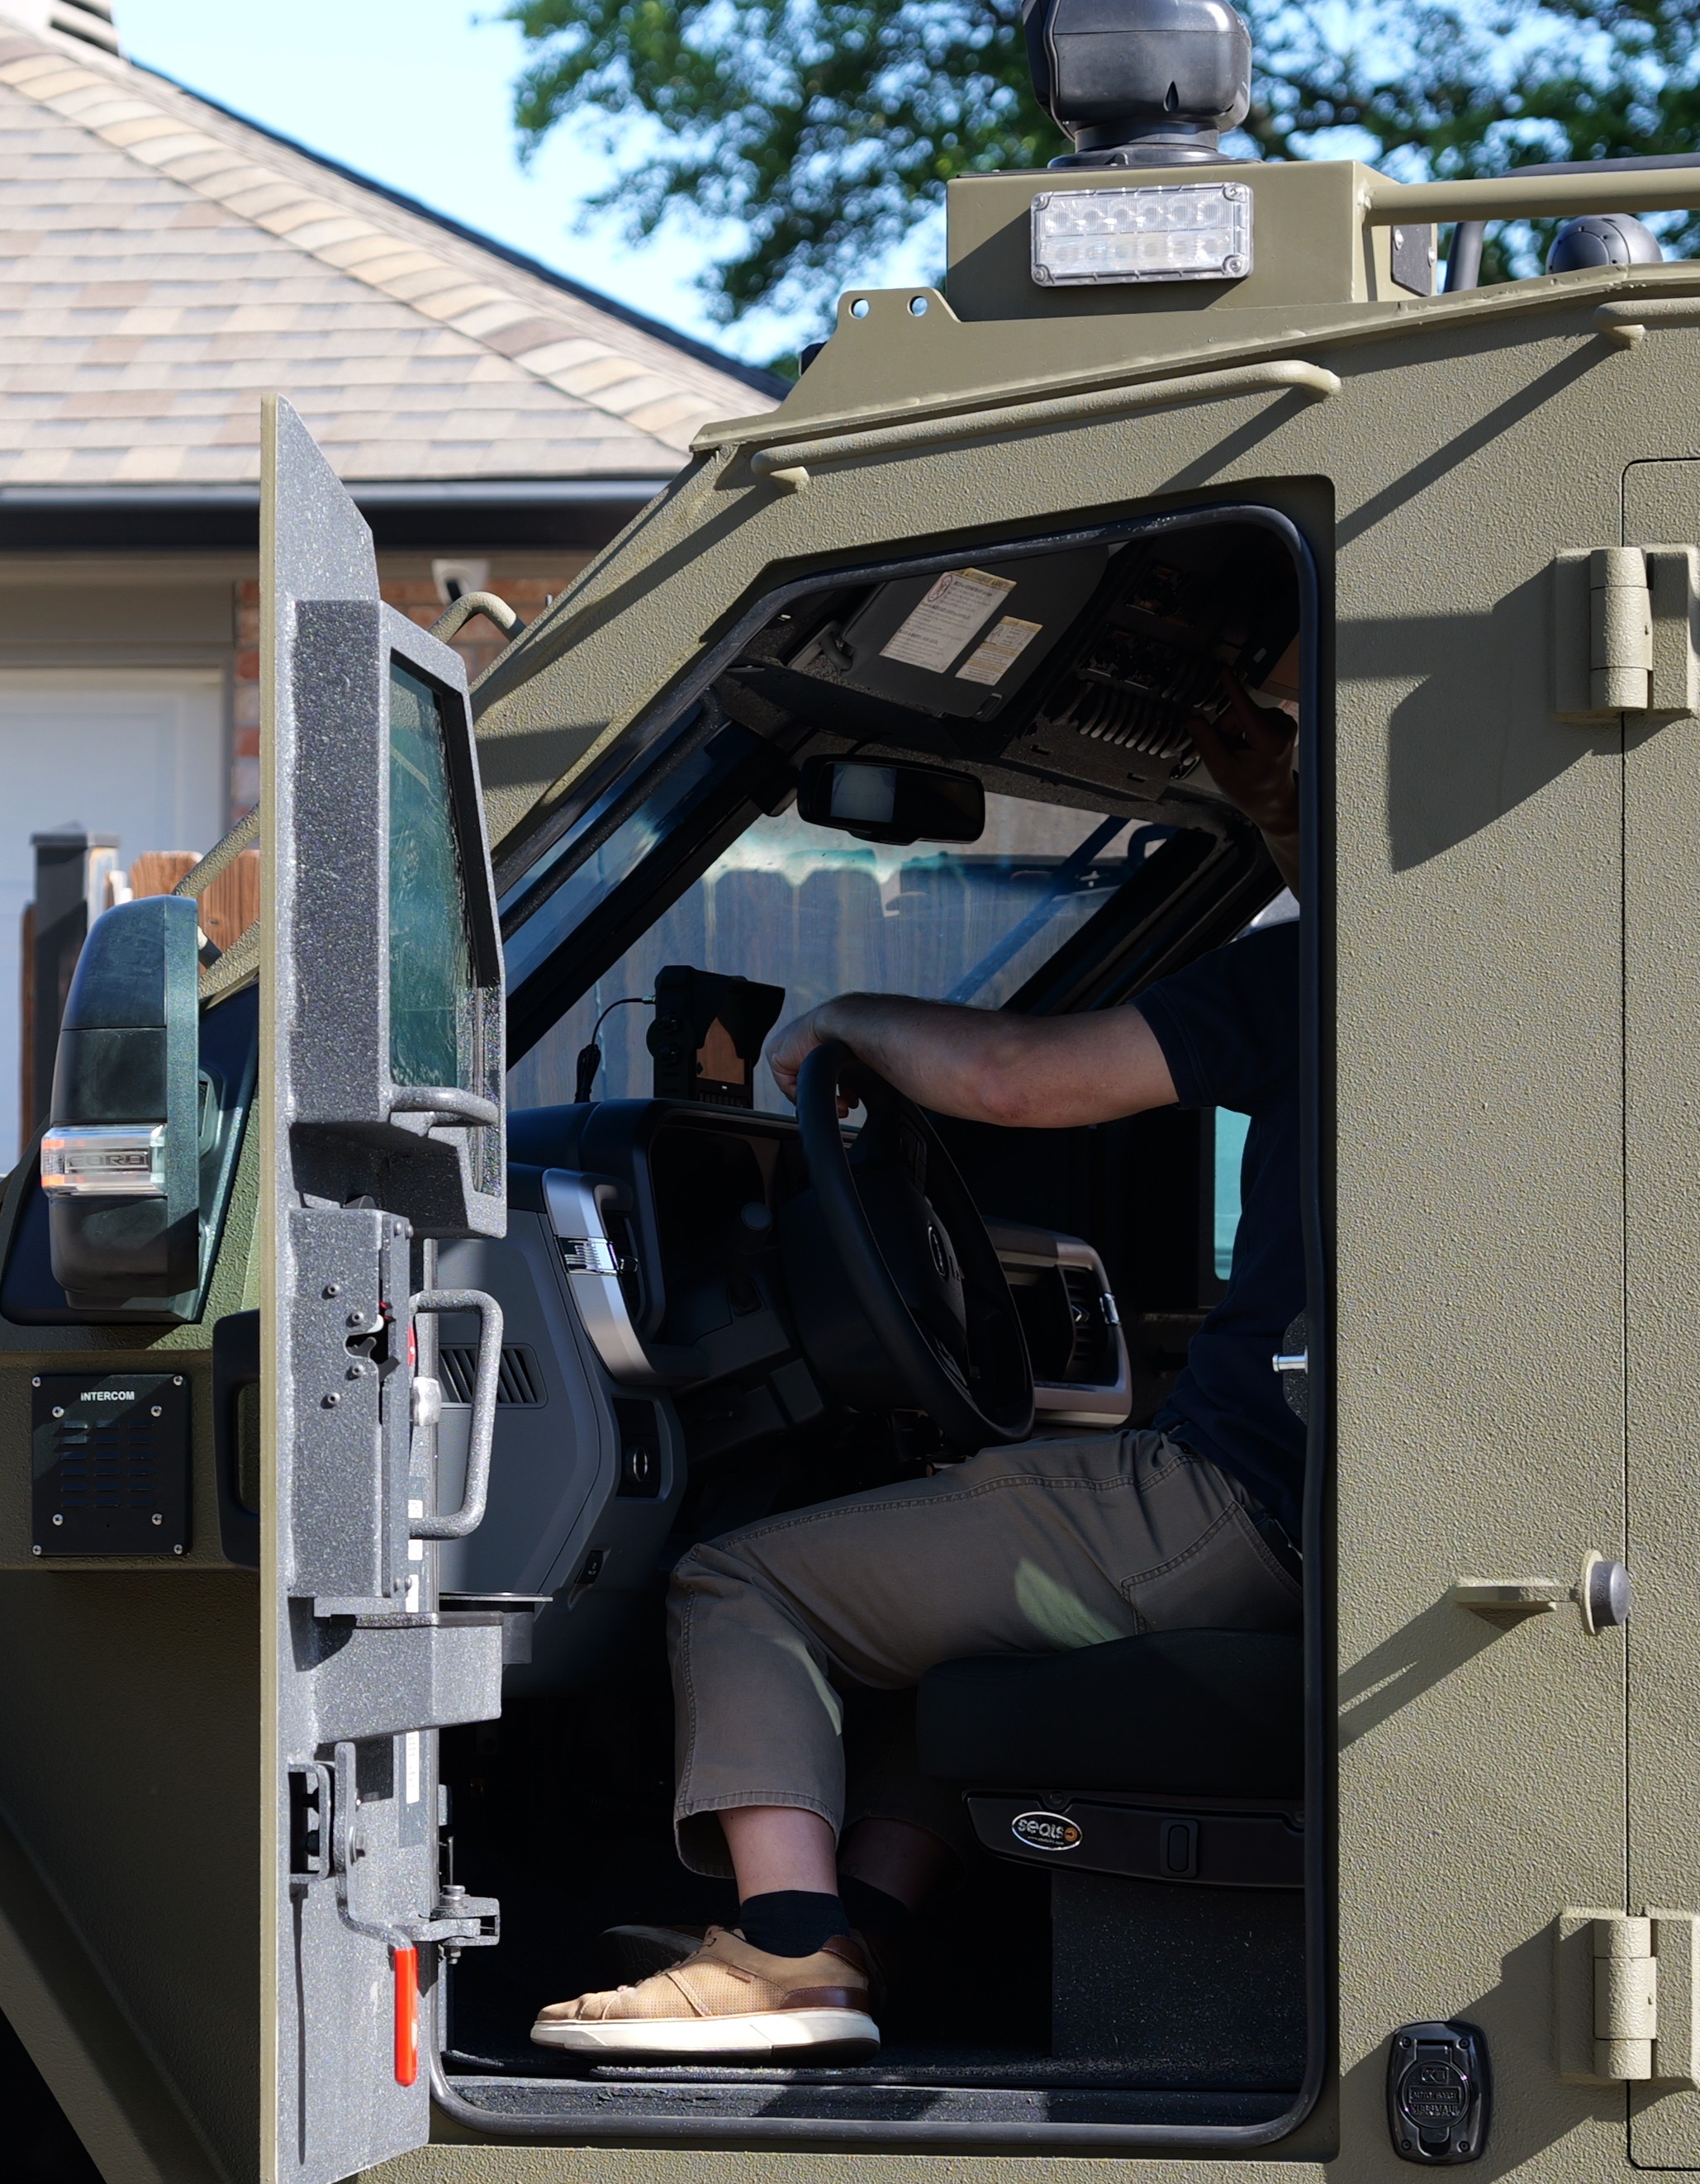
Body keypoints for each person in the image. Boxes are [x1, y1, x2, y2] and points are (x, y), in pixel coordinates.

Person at [534, 658, 1308, 2058]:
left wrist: (849, 1027)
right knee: (916, 1624)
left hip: (1231, 1499)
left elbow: (1019, 1082)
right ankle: (869, 1938)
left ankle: (781, 1959)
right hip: (1300, 1513)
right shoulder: (1447, 975)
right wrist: (1276, 814)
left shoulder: (1318, 969)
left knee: (746, 1580)